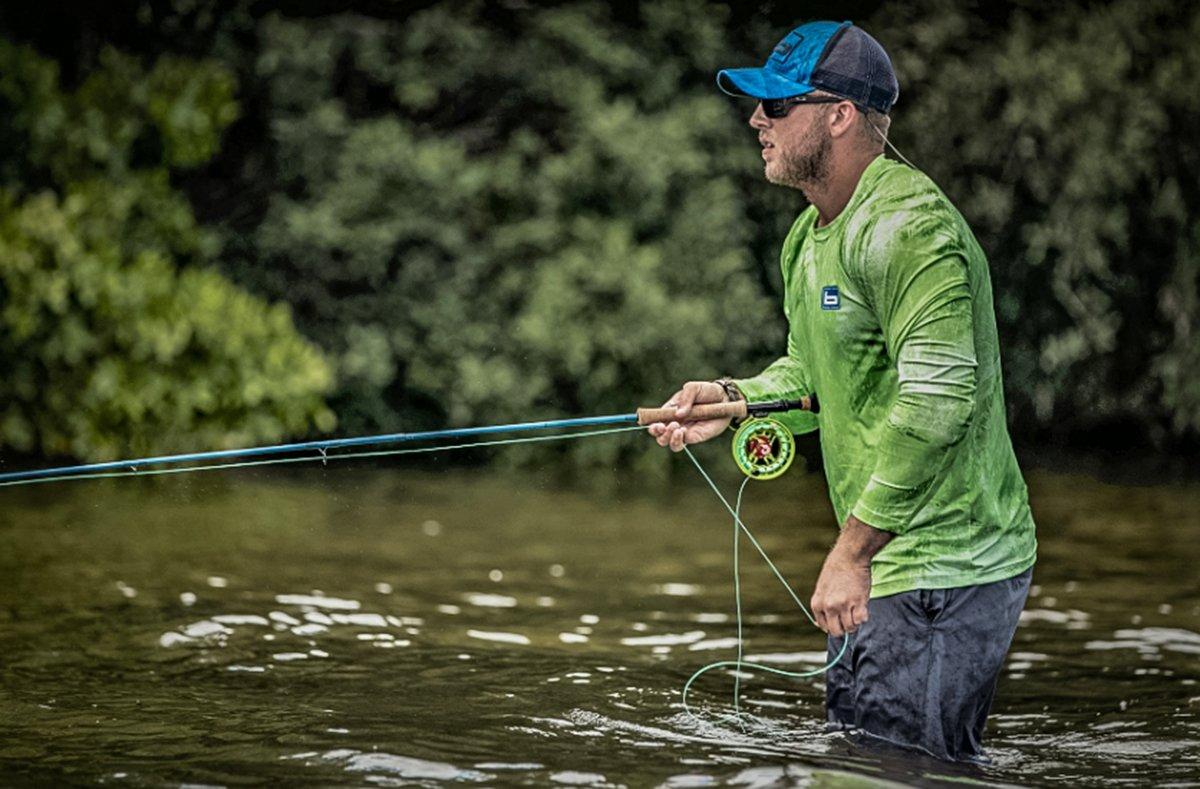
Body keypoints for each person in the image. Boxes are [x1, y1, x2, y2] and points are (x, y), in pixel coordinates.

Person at [648, 20, 1037, 763]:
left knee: (895, 771)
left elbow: (937, 401)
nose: (758, 120)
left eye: (779, 104)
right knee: (851, 759)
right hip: (883, 563)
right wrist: (731, 399)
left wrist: (852, 551)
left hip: (948, 567)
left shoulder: (911, 228)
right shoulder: (809, 237)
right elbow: (812, 377)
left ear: (839, 114)